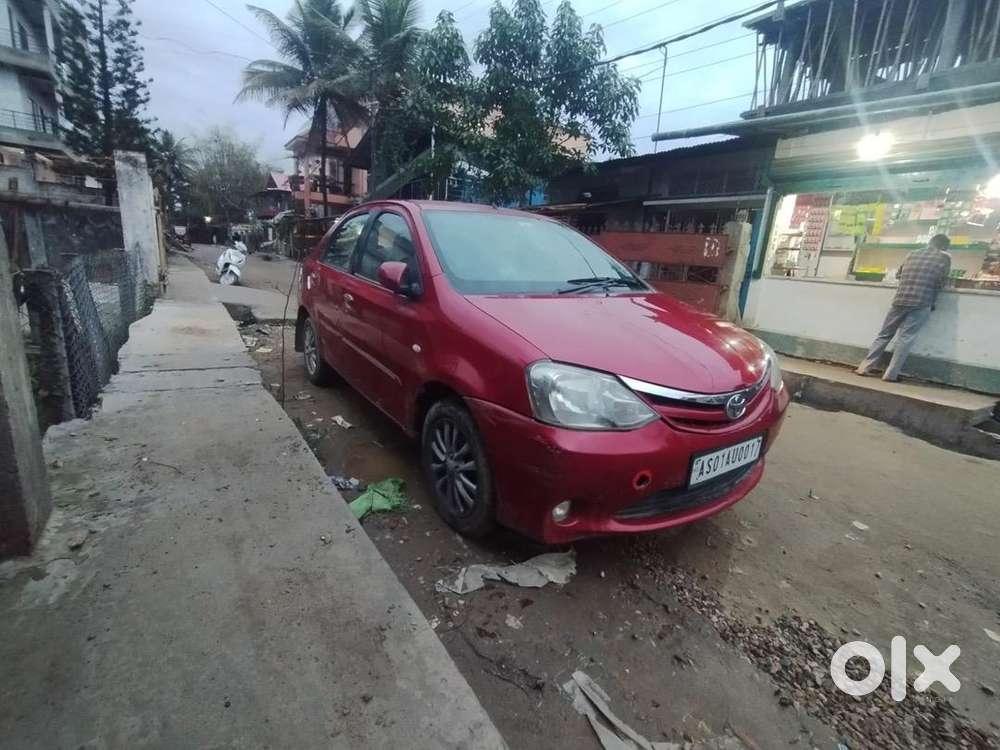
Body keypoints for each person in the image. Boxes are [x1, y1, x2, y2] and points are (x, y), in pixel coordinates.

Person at [855, 234, 952, 382]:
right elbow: (941, 281)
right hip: (922, 301)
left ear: (930, 242)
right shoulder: (945, 257)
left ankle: (864, 367)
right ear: (944, 246)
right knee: (905, 338)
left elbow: (899, 274)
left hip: (900, 299)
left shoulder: (912, 254)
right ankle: (890, 374)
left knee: (884, 334)